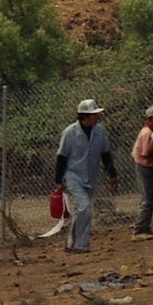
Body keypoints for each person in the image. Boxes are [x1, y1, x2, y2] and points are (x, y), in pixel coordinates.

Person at [55, 98, 118, 253]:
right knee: (84, 207)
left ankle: (71, 244)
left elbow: (106, 154)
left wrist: (112, 175)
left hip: (91, 175)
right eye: (94, 114)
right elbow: (61, 157)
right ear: (84, 116)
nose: (97, 117)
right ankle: (81, 245)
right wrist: (58, 180)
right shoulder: (69, 133)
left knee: (81, 211)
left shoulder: (99, 131)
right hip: (73, 175)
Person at [132, 104, 153, 237]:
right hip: (144, 167)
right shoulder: (148, 132)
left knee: (149, 197)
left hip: (147, 166)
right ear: (152, 118)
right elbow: (145, 154)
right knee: (147, 199)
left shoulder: (152, 130)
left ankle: (145, 226)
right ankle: (139, 229)